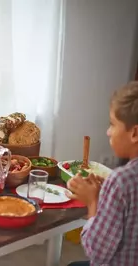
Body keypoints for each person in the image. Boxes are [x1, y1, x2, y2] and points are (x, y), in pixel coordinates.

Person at [66, 81, 138, 266]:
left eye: (113, 124)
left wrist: (93, 202)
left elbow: (97, 253)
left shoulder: (121, 181)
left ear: (134, 133)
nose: (108, 132)